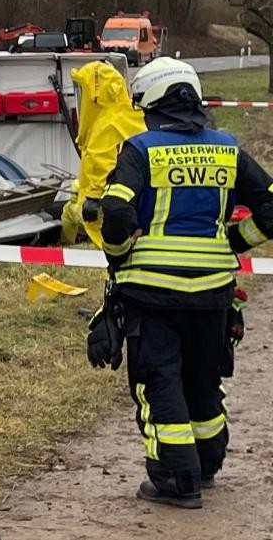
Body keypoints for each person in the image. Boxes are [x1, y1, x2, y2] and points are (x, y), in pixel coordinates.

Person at [91, 57, 267, 509]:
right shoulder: (228, 148)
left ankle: (176, 478)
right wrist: (231, 240)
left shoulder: (140, 149)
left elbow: (116, 213)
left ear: (150, 101)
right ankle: (207, 464)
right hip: (213, 293)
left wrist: (119, 257)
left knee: (158, 380)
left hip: (152, 294)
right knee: (203, 379)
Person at [63, 61, 144, 249]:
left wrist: (92, 198)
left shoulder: (107, 125)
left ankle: (66, 243)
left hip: (106, 203)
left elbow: (102, 163)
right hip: (131, 198)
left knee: (72, 214)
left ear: (96, 95)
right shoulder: (128, 113)